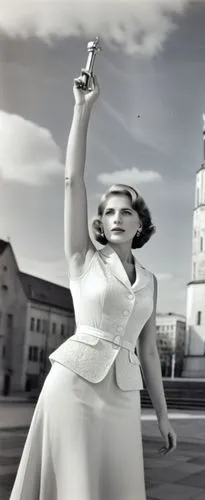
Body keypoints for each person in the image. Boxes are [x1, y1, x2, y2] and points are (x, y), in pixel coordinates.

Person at [10, 70, 177, 500]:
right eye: (109, 212)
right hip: (74, 387)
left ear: (141, 223)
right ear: (100, 223)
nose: (117, 218)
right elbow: (72, 181)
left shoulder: (152, 282)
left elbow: (150, 352)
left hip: (123, 396)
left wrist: (162, 416)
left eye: (127, 211)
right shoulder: (82, 257)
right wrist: (82, 109)